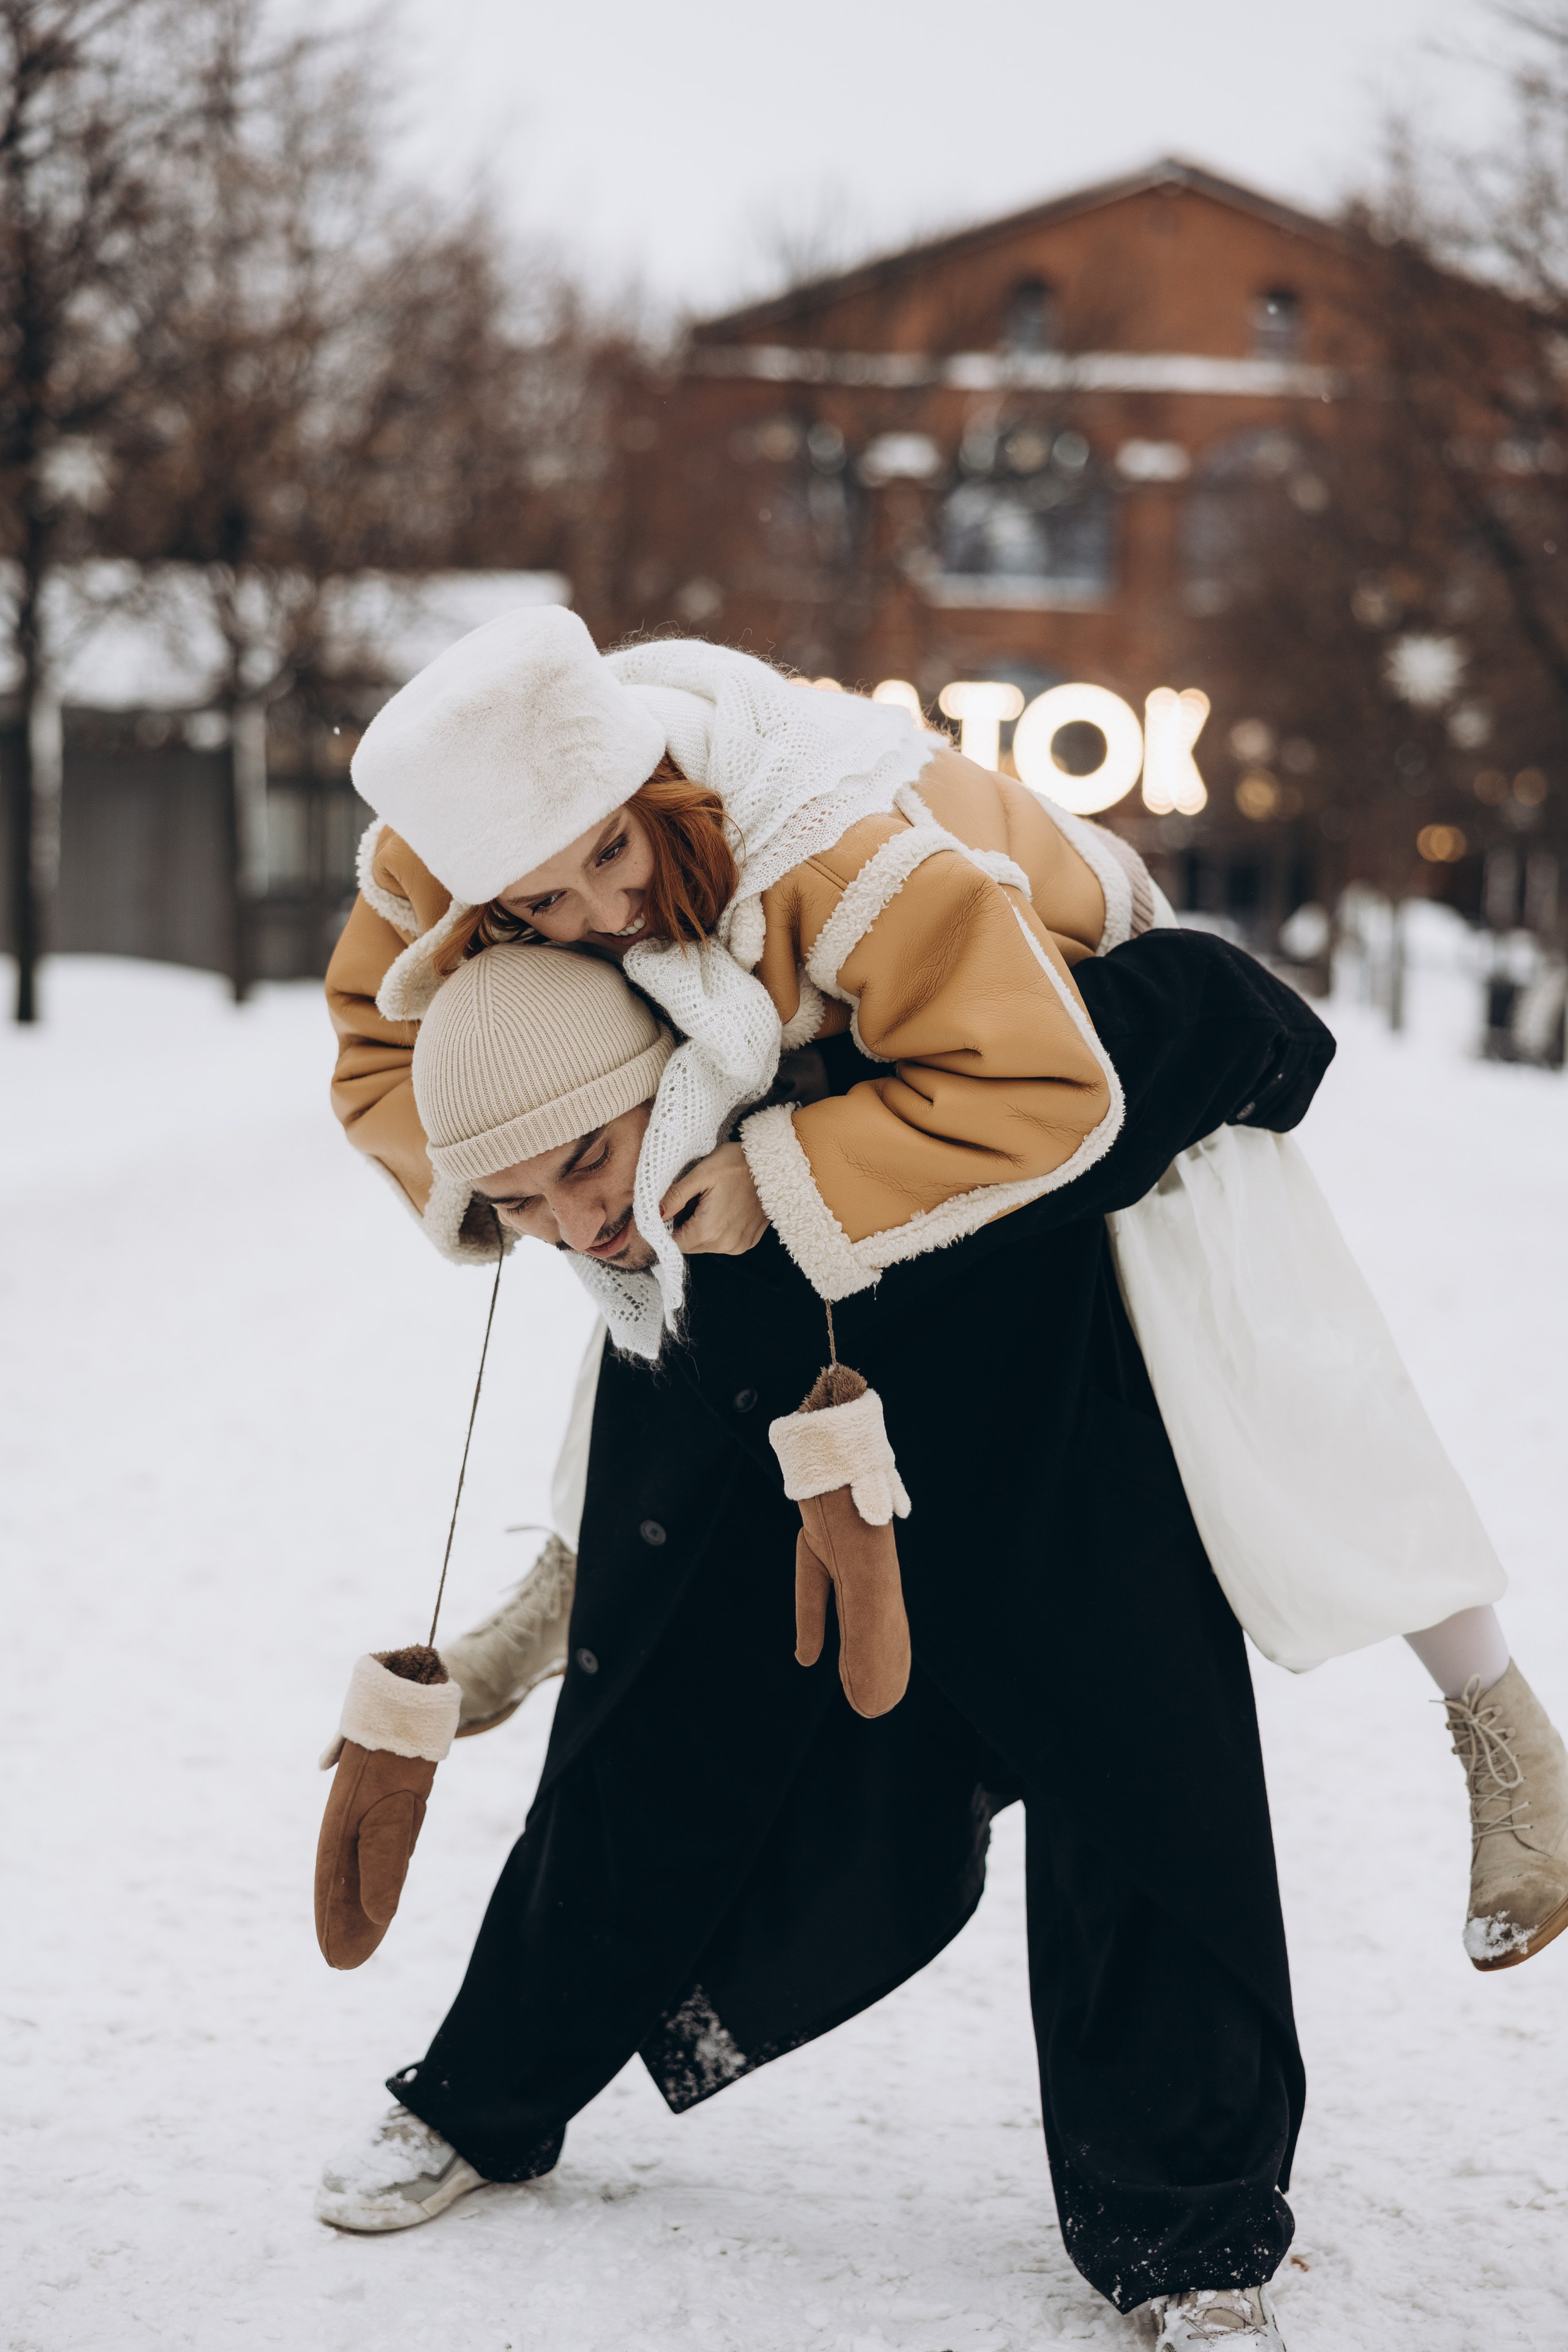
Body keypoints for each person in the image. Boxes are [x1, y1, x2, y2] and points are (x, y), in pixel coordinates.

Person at [326, 606, 1568, 1978]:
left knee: (1262, 1388)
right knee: (634, 1238)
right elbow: (381, 1051)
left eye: (612, 852)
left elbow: (1034, 1080)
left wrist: (787, 1168)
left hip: (1086, 1037)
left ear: (649, 784)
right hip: (852, 1064)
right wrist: (517, 1195)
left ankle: (1500, 1725)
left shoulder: (832, 847)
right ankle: (575, 1566)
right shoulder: (434, 855)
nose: (603, 915)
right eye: (541, 906)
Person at [318, 925, 1336, 2352]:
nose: (574, 1222)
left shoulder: (889, 1056)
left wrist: (1271, 1072)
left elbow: (1217, 1007)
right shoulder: (634, 1257)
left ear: (669, 1085)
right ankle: (480, 2098)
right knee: (636, 1758)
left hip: (1045, 1455)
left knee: (1141, 1806)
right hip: (757, 1446)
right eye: (518, 1203)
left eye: (590, 1164)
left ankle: (1187, 2237)